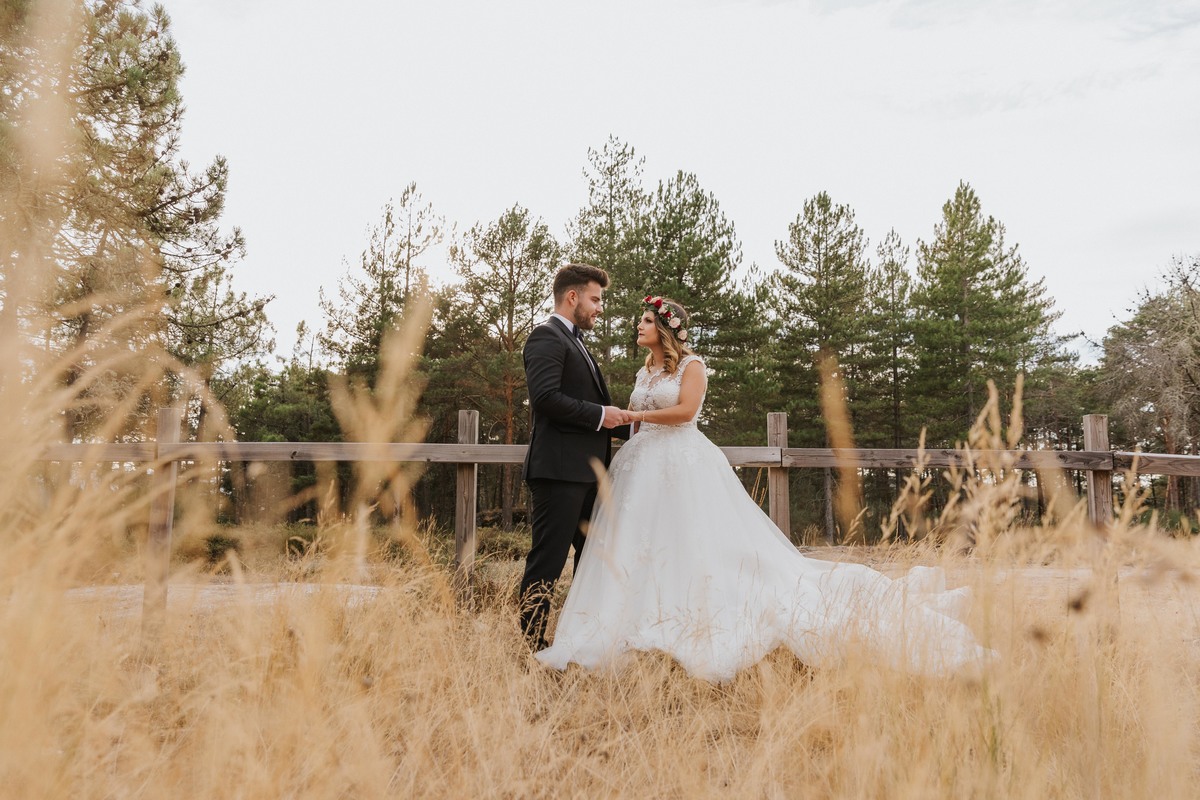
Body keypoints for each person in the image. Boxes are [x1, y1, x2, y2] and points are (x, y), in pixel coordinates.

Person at [535, 295, 995, 681]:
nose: (638, 325)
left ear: (667, 328)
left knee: (694, 543)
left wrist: (635, 415)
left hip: (682, 462)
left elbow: (686, 412)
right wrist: (625, 424)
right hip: (640, 466)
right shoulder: (644, 372)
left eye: (647, 321)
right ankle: (630, 623)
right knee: (639, 544)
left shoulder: (693, 366)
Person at [519, 264, 632, 651]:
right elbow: (546, 399)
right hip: (559, 474)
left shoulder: (577, 343)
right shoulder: (546, 337)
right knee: (547, 563)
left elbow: (592, 411)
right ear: (573, 297)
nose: (600, 307)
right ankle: (533, 648)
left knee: (591, 563)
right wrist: (602, 415)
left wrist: (644, 428)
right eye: (595, 299)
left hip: (588, 477)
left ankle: (581, 643)